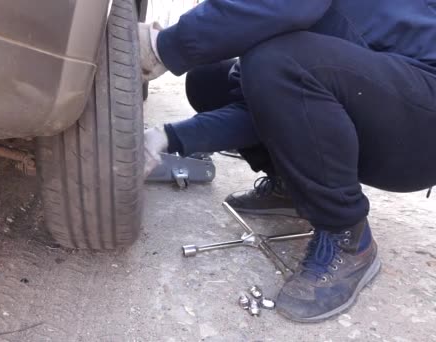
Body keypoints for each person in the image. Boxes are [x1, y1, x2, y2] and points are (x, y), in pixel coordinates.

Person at [139, 0, 436, 323]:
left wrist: (161, 46)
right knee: (211, 77)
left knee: (277, 63)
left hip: (420, 122)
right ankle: (293, 188)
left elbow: (292, 12)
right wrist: (166, 136)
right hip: (368, 91)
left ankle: (347, 234)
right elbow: (260, 109)